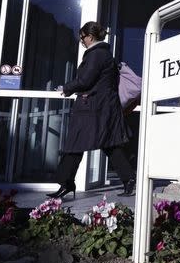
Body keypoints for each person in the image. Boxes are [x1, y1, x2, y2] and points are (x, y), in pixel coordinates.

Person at [47, 21, 136, 198]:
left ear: (90, 36)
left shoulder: (96, 55)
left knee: (76, 144)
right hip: (100, 108)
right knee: (108, 144)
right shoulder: (103, 54)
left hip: (94, 109)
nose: (81, 41)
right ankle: (128, 180)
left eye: (82, 38)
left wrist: (66, 88)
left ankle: (67, 183)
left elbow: (86, 80)